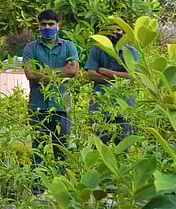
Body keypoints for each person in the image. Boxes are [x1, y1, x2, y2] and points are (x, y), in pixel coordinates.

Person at [21, 10, 80, 176]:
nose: (47, 27)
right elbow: (30, 74)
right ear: (39, 26)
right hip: (37, 107)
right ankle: (37, 185)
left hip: (62, 107)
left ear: (58, 26)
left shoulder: (68, 46)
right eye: (44, 24)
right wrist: (61, 72)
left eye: (51, 24)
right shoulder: (30, 48)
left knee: (62, 150)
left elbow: (73, 71)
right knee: (38, 150)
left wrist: (44, 73)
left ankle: (61, 184)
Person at [84, 22, 137, 142]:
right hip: (99, 106)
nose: (114, 32)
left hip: (124, 105)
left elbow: (133, 76)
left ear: (123, 33)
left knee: (123, 145)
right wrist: (121, 78)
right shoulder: (96, 49)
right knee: (98, 144)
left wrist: (105, 71)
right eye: (110, 30)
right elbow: (91, 75)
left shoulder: (131, 51)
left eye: (118, 30)